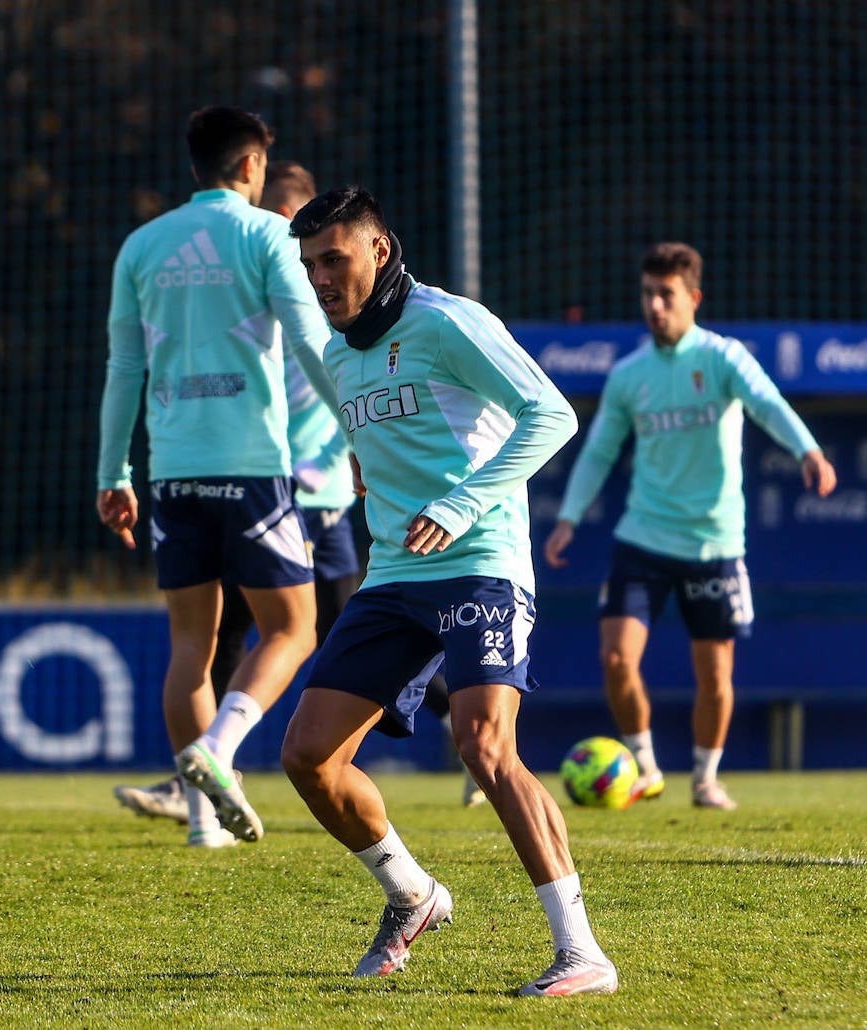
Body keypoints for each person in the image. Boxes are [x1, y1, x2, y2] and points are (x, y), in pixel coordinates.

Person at [281, 185, 618, 995]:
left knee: (483, 744)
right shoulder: (338, 353)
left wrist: (461, 498)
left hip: (481, 560)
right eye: (309, 265)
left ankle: (583, 953)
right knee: (308, 758)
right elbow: (380, 434)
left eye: (334, 258)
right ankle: (411, 894)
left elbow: (551, 414)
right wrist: (368, 467)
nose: (321, 278)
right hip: (396, 573)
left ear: (380, 250)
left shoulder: (446, 321)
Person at [111, 163, 482, 824]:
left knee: (345, 626)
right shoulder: (270, 295)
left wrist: (359, 447)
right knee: (228, 638)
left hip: (318, 491)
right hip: (268, 487)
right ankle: (202, 773)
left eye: (300, 233)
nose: (296, 251)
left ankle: (455, 716)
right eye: (285, 232)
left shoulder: (331, 313)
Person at [96, 109, 341, 848]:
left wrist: (114, 472)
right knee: (293, 629)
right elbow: (308, 342)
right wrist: (360, 432)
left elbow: (125, 370)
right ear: (249, 167)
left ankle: (205, 823)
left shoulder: (142, 245)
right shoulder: (269, 235)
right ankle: (219, 751)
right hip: (252, 469)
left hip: (171, 472)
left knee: (189, 647)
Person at [543, 242, 837, 811]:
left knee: (716, 672)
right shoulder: (629, 375)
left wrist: (809, 450)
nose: (655, 305)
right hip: (643, 538)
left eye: (667, 295)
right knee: (615, 658)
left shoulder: (723, 358)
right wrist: (569, 519)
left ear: (692, 298)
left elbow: (768, 403)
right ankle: (646, 767)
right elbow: (600, 449)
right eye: (648, 294)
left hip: (714, 542)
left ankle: (705, 779)